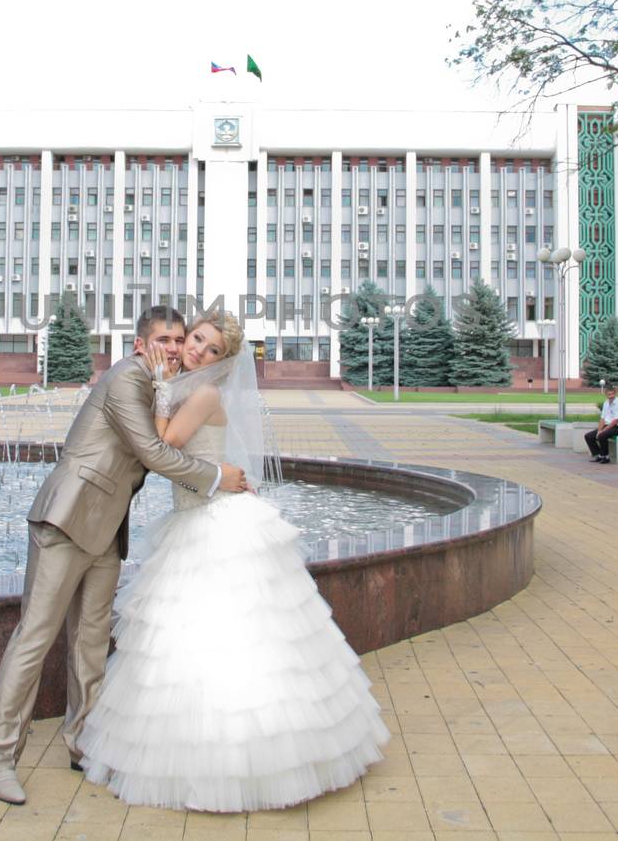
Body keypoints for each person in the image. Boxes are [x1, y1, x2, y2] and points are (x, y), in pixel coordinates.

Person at [77, 309, 388, 812]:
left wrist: (158, 387)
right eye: (196, 339)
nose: (197, 350)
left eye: (210, 348)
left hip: (213, 522)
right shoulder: (186, 387)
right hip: (197, 515)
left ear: (224, 362)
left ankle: (251, 757)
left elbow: (165, 445)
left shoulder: (199, 394)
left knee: (225, 636)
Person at [0, 306, 250, 806]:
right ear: (140, 345)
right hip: (66, 520)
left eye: (181, 339)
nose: (176, 349)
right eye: (166, 340)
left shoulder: (164, 387)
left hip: (106, 531)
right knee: (34, 640)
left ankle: (82, 744)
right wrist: (217, 478)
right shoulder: (127, 379)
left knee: (90, 643)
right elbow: (153, 451)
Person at [585, 384, 618, 464]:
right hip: (608, 425)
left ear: (615, 393)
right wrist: (599, 430)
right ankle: (599, 455)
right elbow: (602, 418)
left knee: (602, 435)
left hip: (617, 427)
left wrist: (602, 431)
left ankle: (606, 456)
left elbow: (616, 420)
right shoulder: (606, 403)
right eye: (609, 394)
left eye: (612, 394)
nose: (611, 396)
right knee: (589, 436)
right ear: (606, 394)